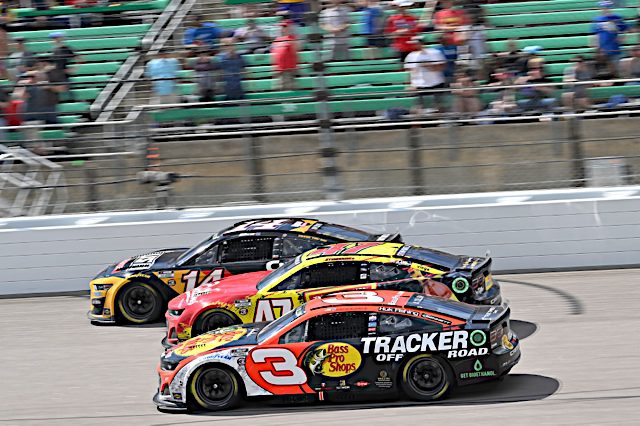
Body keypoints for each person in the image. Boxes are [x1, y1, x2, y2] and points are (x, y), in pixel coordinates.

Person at [404, 36, 446, 113]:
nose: (414, 45)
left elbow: (441, 67)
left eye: (416, 43)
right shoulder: (411, 56)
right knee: (417, 108)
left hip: (436, 83)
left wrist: (429, 66)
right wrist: (410, 84)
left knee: (439, 106)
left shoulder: (434, 53)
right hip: (419, 85)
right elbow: (410, 71)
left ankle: (441, 121)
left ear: (422, 43)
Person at [591, 0, 627, 74]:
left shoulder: (617, 18)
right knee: (605, 72)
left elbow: (625, 29)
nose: (606, 9)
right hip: (603, 52)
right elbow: (595, 34)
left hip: (614, 49)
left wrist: (622, 38)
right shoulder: (596, 20)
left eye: (607, 7)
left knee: (616, 71)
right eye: (603, 8)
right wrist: (595, 46)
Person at [271, 20, 298, 91]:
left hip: (288, 70)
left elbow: (295, 53)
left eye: (285, 26)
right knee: (278, 91)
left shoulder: (292, 38)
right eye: (282, 26)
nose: (282, 28)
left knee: (288, 91)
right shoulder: (277, 39)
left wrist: (295, 68)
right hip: (279, 70)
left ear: (290, 28)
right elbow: (274, 54)